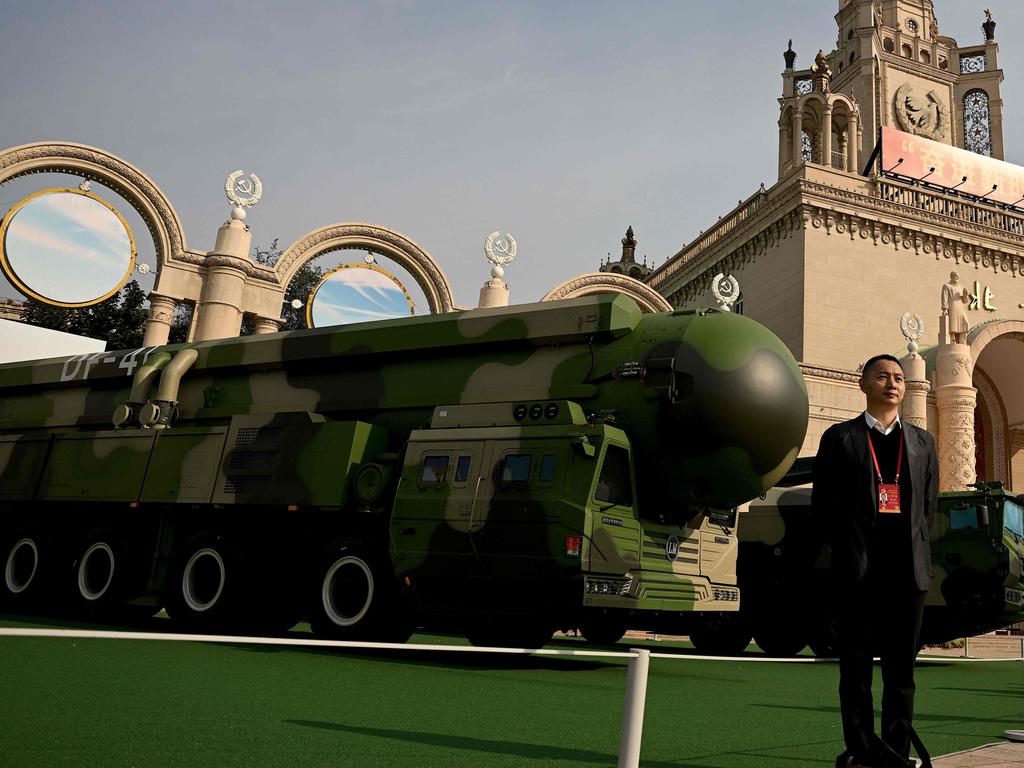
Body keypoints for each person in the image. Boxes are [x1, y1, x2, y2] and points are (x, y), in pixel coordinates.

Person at [812, 354, 938, 767]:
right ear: (863, 384)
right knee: (856, 670)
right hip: (858, 572)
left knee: (901, 674)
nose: (892, 383)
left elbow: (928, 509)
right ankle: (863, 751)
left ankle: (896, 753)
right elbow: (823, 506)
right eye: (882, 376)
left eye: (899, 378)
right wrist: (845, 550)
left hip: (908, 573)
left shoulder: (922, 442)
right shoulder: (839, 438)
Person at [940, 272, 969, 344]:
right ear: (951, 277)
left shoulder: (960, 288)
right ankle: (952, 339)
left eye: (957, 276)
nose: (956, 277)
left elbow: (965, 301)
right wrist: (945, 309)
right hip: (952, 306)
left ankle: (962, 340)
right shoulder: (947, 286)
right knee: (953, 323)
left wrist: (965, 295)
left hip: (960, 307)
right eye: (955, 276)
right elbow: (944, 298)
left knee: (965, 322)